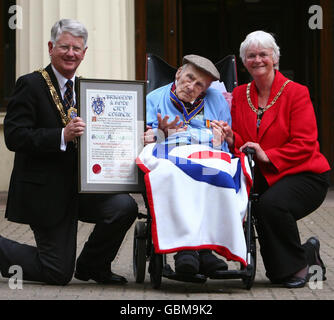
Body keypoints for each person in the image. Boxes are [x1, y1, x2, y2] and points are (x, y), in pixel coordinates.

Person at [1, 19, 138, 285]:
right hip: (47, 191)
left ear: (84, 53)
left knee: (124, 206)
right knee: (57, 272)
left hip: (83, 188)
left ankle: (92, 266)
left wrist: (135, 138)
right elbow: (14, 136)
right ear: (51, 47)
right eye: (64, 47)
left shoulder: (89, 90)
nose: (71, 53)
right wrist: (60, 136)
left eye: (77, 48)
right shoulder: (30, 84)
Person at [222, 30, 331, 288]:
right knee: (256, 206)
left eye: (263, 54)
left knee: (271, 205)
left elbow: (306, 144)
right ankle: (305, 255)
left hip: (304, 174)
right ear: (244, 61)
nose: (257, 60)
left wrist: (267, 154)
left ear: (275, 58)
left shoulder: (296, 93)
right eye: (251, 55)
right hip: (262, 175)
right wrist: (230, 138)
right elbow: (242, 140)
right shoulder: (239, 95)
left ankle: (298, 267)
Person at [142, 54, 240, 277]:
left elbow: (225, 140)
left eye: (199, 85)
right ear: (178, 74)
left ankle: (205, 251)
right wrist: (161, 133)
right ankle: (185, 250)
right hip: (171, 157)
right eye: (189, 78)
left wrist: (222, 136)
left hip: (208, 157)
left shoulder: (217, 101)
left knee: (217, 174)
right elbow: (146, 137)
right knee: (176, 175)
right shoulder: (155, 98)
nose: (191, 86)